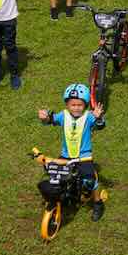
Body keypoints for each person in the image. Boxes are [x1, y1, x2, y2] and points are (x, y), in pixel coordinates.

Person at [37, 84, 106, 221]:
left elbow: (100, 125)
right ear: (67, 104)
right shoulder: (63, 115)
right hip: (65, 156)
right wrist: (44, 118)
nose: (76, 108)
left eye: (80, 105)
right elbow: (51, 120)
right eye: (73, 105)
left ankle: (98, 203)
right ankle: (63, 197)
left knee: (90, 181)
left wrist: (98, 117)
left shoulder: (89, 117)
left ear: (85, 105)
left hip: (84, 157)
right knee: (56, 176)